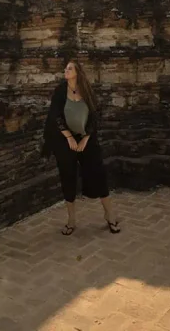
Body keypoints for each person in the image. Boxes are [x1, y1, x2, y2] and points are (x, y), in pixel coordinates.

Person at [42, 60, 121, 236]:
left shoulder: (87, 90)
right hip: (65, 139)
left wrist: (86, 138)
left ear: (78, 72)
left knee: (98, 173)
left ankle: (110, 214)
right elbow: (55, 116)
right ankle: (71, 220)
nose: (66, 71)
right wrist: (69, 137)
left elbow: (94, 115)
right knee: (67, 176)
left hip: (86, 137)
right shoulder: (61, 91)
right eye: (65, 69)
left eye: (69, 68)